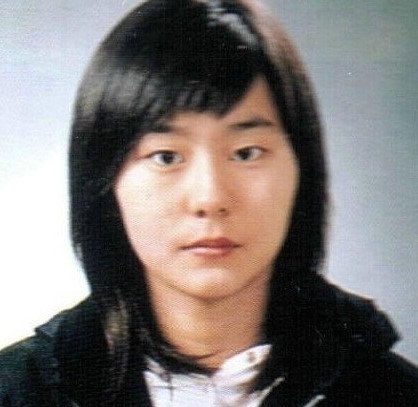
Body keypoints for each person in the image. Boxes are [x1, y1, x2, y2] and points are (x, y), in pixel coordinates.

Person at [0, 0, 417, 405]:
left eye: (246, 153)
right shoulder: (17, 391)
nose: (210, 197)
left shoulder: (395, 393)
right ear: (105, 183)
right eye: (166, 157)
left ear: (301, 171)